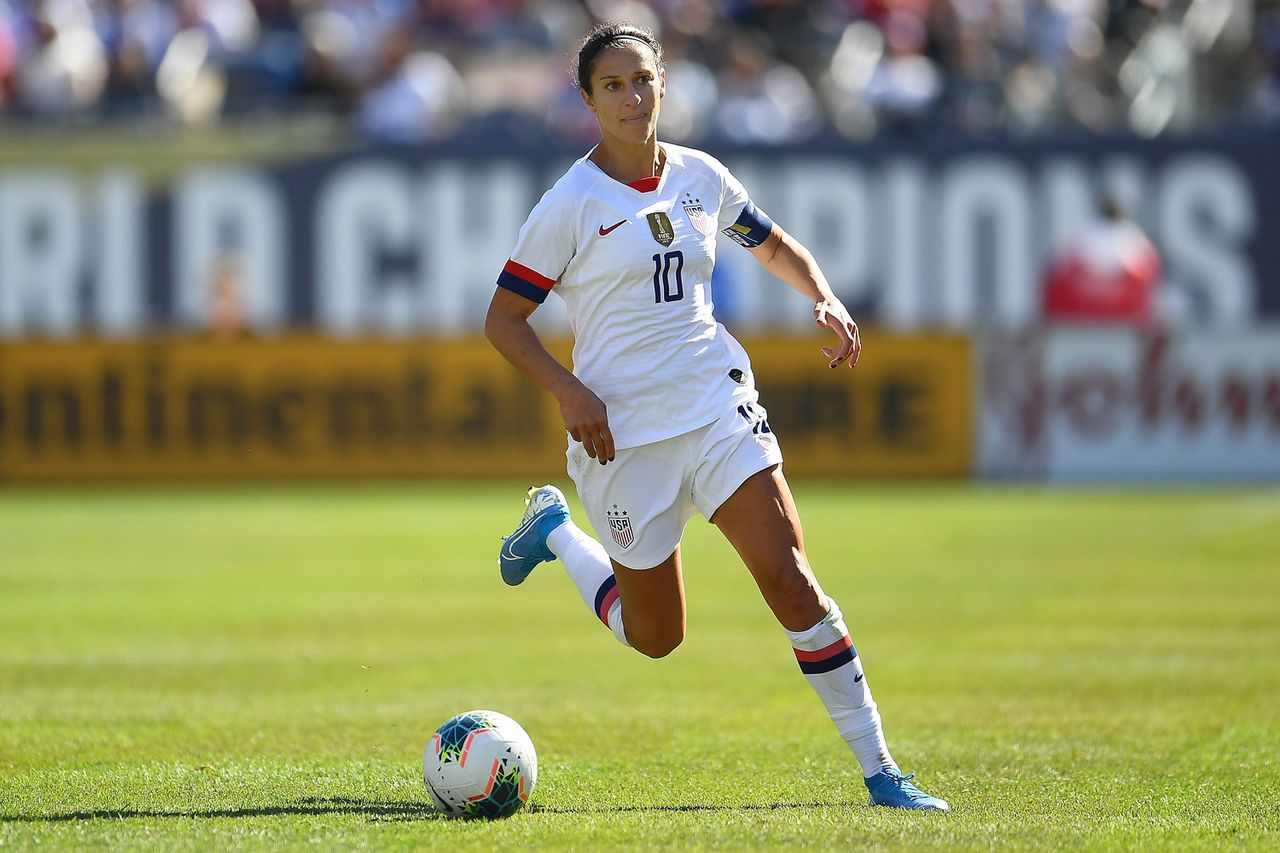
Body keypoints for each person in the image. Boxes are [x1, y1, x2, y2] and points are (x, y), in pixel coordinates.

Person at [484, 22, 948, 812]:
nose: (632, 97)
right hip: (622, 432)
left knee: (793, 581)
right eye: (613, 86)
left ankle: (882, 771)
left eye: (642, 79)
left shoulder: (700, 176)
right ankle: (557, 531)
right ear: (589, 101)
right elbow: (503, 321)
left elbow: (770, 244)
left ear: (664, 81)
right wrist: (570, 391)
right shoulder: (569, 204)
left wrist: (823, 295)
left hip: (713, 401)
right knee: (656, 635)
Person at [1041, 192, 1162, 329]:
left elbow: (1147, 274)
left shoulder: (1133, 238)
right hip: (1083, 315)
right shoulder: (1083, 234)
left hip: (1119, 315)